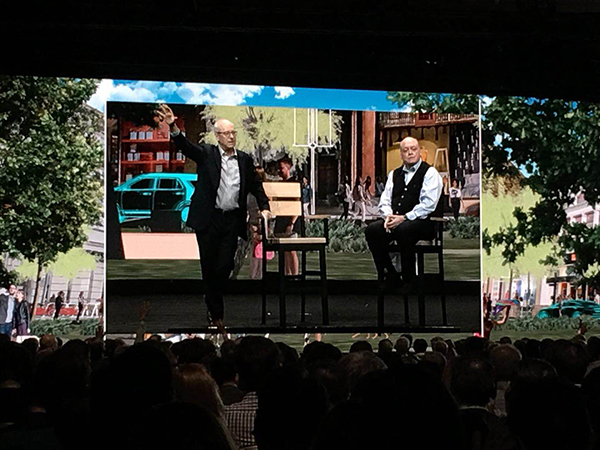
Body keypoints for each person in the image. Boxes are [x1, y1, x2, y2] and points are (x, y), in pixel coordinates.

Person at [156, 104, 270, 337]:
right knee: (208, 267)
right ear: (217, 136)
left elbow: (256, 186)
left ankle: (212, 303)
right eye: (226, 133)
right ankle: (217, 316)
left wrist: (265, 207)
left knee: (225, 265)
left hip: (231, 220)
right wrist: (173, 126)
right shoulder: (207, 154)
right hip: (209, 219)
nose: (231, 136)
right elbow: (185, 147)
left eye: (233, 132)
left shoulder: (244, 160)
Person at [365, 137, 443, 286]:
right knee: (372, 231)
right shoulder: (394, 174)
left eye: (413, 149)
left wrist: (404, 217)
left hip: (422, 222)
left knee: (404, 230)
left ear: (419, 151)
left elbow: (428, 204)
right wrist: (388, 217)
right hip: (396, 222)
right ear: (401, 154)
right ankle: (390, 274)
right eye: (405, 150)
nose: (410, 153)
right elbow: (385, 200)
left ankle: (409, 279)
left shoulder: (430, 173)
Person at [274, 157, 300, 276]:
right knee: (284, 251)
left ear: (288, 168)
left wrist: (291, 223)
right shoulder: (279, 184)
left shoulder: (294, 183)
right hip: (281, 220)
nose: (279, 170)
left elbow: (297, 204)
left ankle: (294, 276)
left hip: (290, 221)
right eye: (278, 168)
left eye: (282, 168)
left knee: (292, 250)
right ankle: (286, 275)